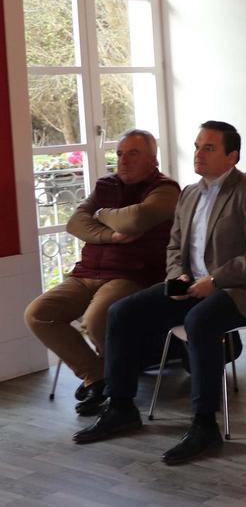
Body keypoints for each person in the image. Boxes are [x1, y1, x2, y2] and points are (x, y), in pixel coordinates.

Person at [73, 121, 246, 466]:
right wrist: (177, 277)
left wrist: (214, 280)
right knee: (121, 312)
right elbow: (175, 246)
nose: (198, 153)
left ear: (232, 156)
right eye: (197, 145)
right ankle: (121, 406)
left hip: (242, 289)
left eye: (209, 148)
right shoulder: (189, 193)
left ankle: (204, 424)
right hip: (193, 286)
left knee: (199, 319)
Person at [24, 130, 180, 415]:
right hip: (86, 273)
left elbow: (136, 219)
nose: (123, 160)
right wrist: (111, 236)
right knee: (38, 313)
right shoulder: (105, 185)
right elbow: (74, 224)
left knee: (98, 320)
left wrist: (99, 215)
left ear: (152, 158)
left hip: (130, 275)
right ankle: (98, 377)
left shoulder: (165, 189)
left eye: (133, 153)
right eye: (120, 153)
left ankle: (119, 388)